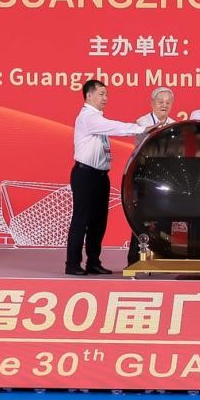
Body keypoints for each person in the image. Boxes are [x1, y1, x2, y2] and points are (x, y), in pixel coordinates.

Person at [66, 79, 149, 276]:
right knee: (81, 220)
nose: (105, 98)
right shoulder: (88, 117)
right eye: (101, 94)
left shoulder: (98, 118)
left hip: (100, 176)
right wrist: (141, 129)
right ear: (89, 96)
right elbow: (114, 127)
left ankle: (93, 262)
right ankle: (72, 264)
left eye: (106, 94)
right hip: (85, 175)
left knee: (98, 221)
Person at [127, 87, 176, 265]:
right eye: (160, 102)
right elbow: (141, 150)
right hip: (145, 177)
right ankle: (135, 259)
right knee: (141, 217)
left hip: (166, 179)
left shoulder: (174, 124)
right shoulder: (142, 122)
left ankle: (164, 256)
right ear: (152, 103)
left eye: (168, 102)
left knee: (166, 218)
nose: (164, 105)